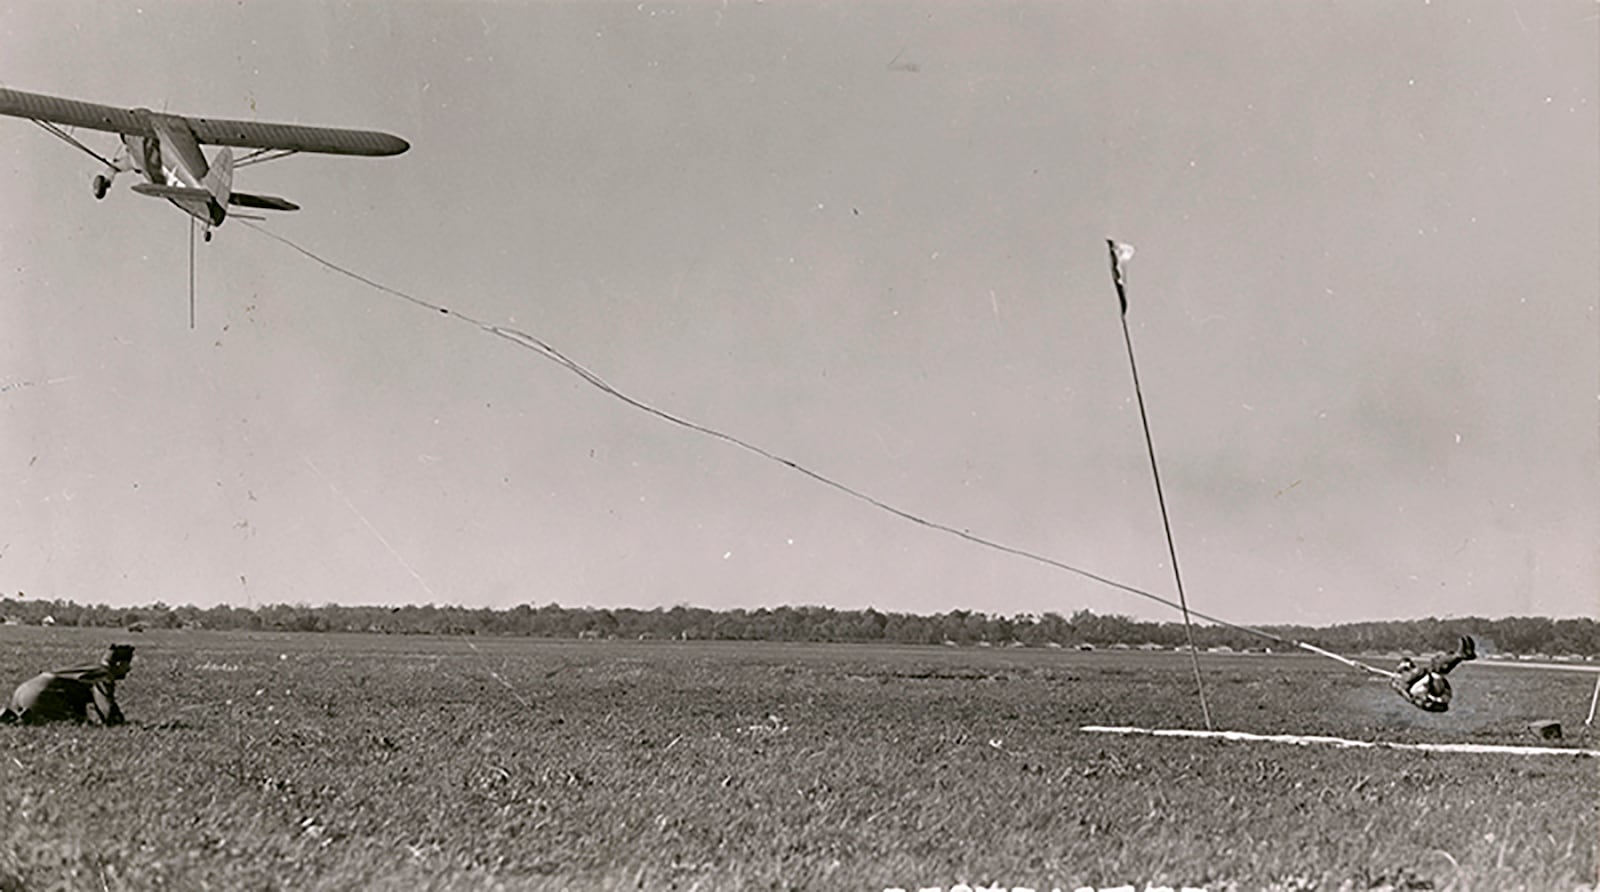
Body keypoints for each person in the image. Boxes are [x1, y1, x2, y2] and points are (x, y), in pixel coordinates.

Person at [0, 644, 135, 726]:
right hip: (42, 694)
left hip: (24, 689)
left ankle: (14, 716)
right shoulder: (104, 674)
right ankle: (24, 720)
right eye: (127, 665)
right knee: (80, 725)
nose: (129, 669)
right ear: (119, 664)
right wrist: (120, 723)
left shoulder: (88, 667)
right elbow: (106, 708)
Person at [1391, 635, 1475, 712]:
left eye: (1411, 665)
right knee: (1436, 666)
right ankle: (1460, 656)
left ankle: (1460, 655)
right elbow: (1411, 697)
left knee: (1438, 668)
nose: (1411, 667)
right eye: (1408, 667)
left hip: (1435, 694)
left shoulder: (1415, 675)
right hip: (1429, 697)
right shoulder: (1404, 679)